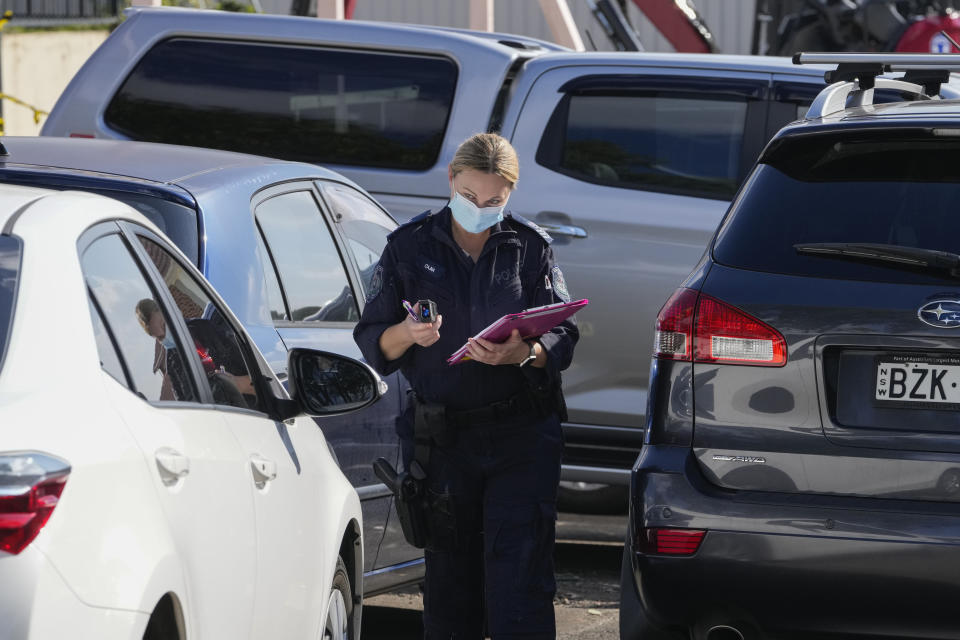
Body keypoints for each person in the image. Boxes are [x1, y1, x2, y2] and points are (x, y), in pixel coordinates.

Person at [354, 133, 579, 639]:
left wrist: (523, 351)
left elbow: (563, 333)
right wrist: (408, 334)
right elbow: (373, 342)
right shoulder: (408, 247)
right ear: (452, 181)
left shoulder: (529, 246)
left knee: (521, 583)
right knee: (451, 587)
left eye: (494, 201)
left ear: (510, 195)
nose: (480, 209)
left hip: (521, 434)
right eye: (471, 196)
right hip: (444, 441)